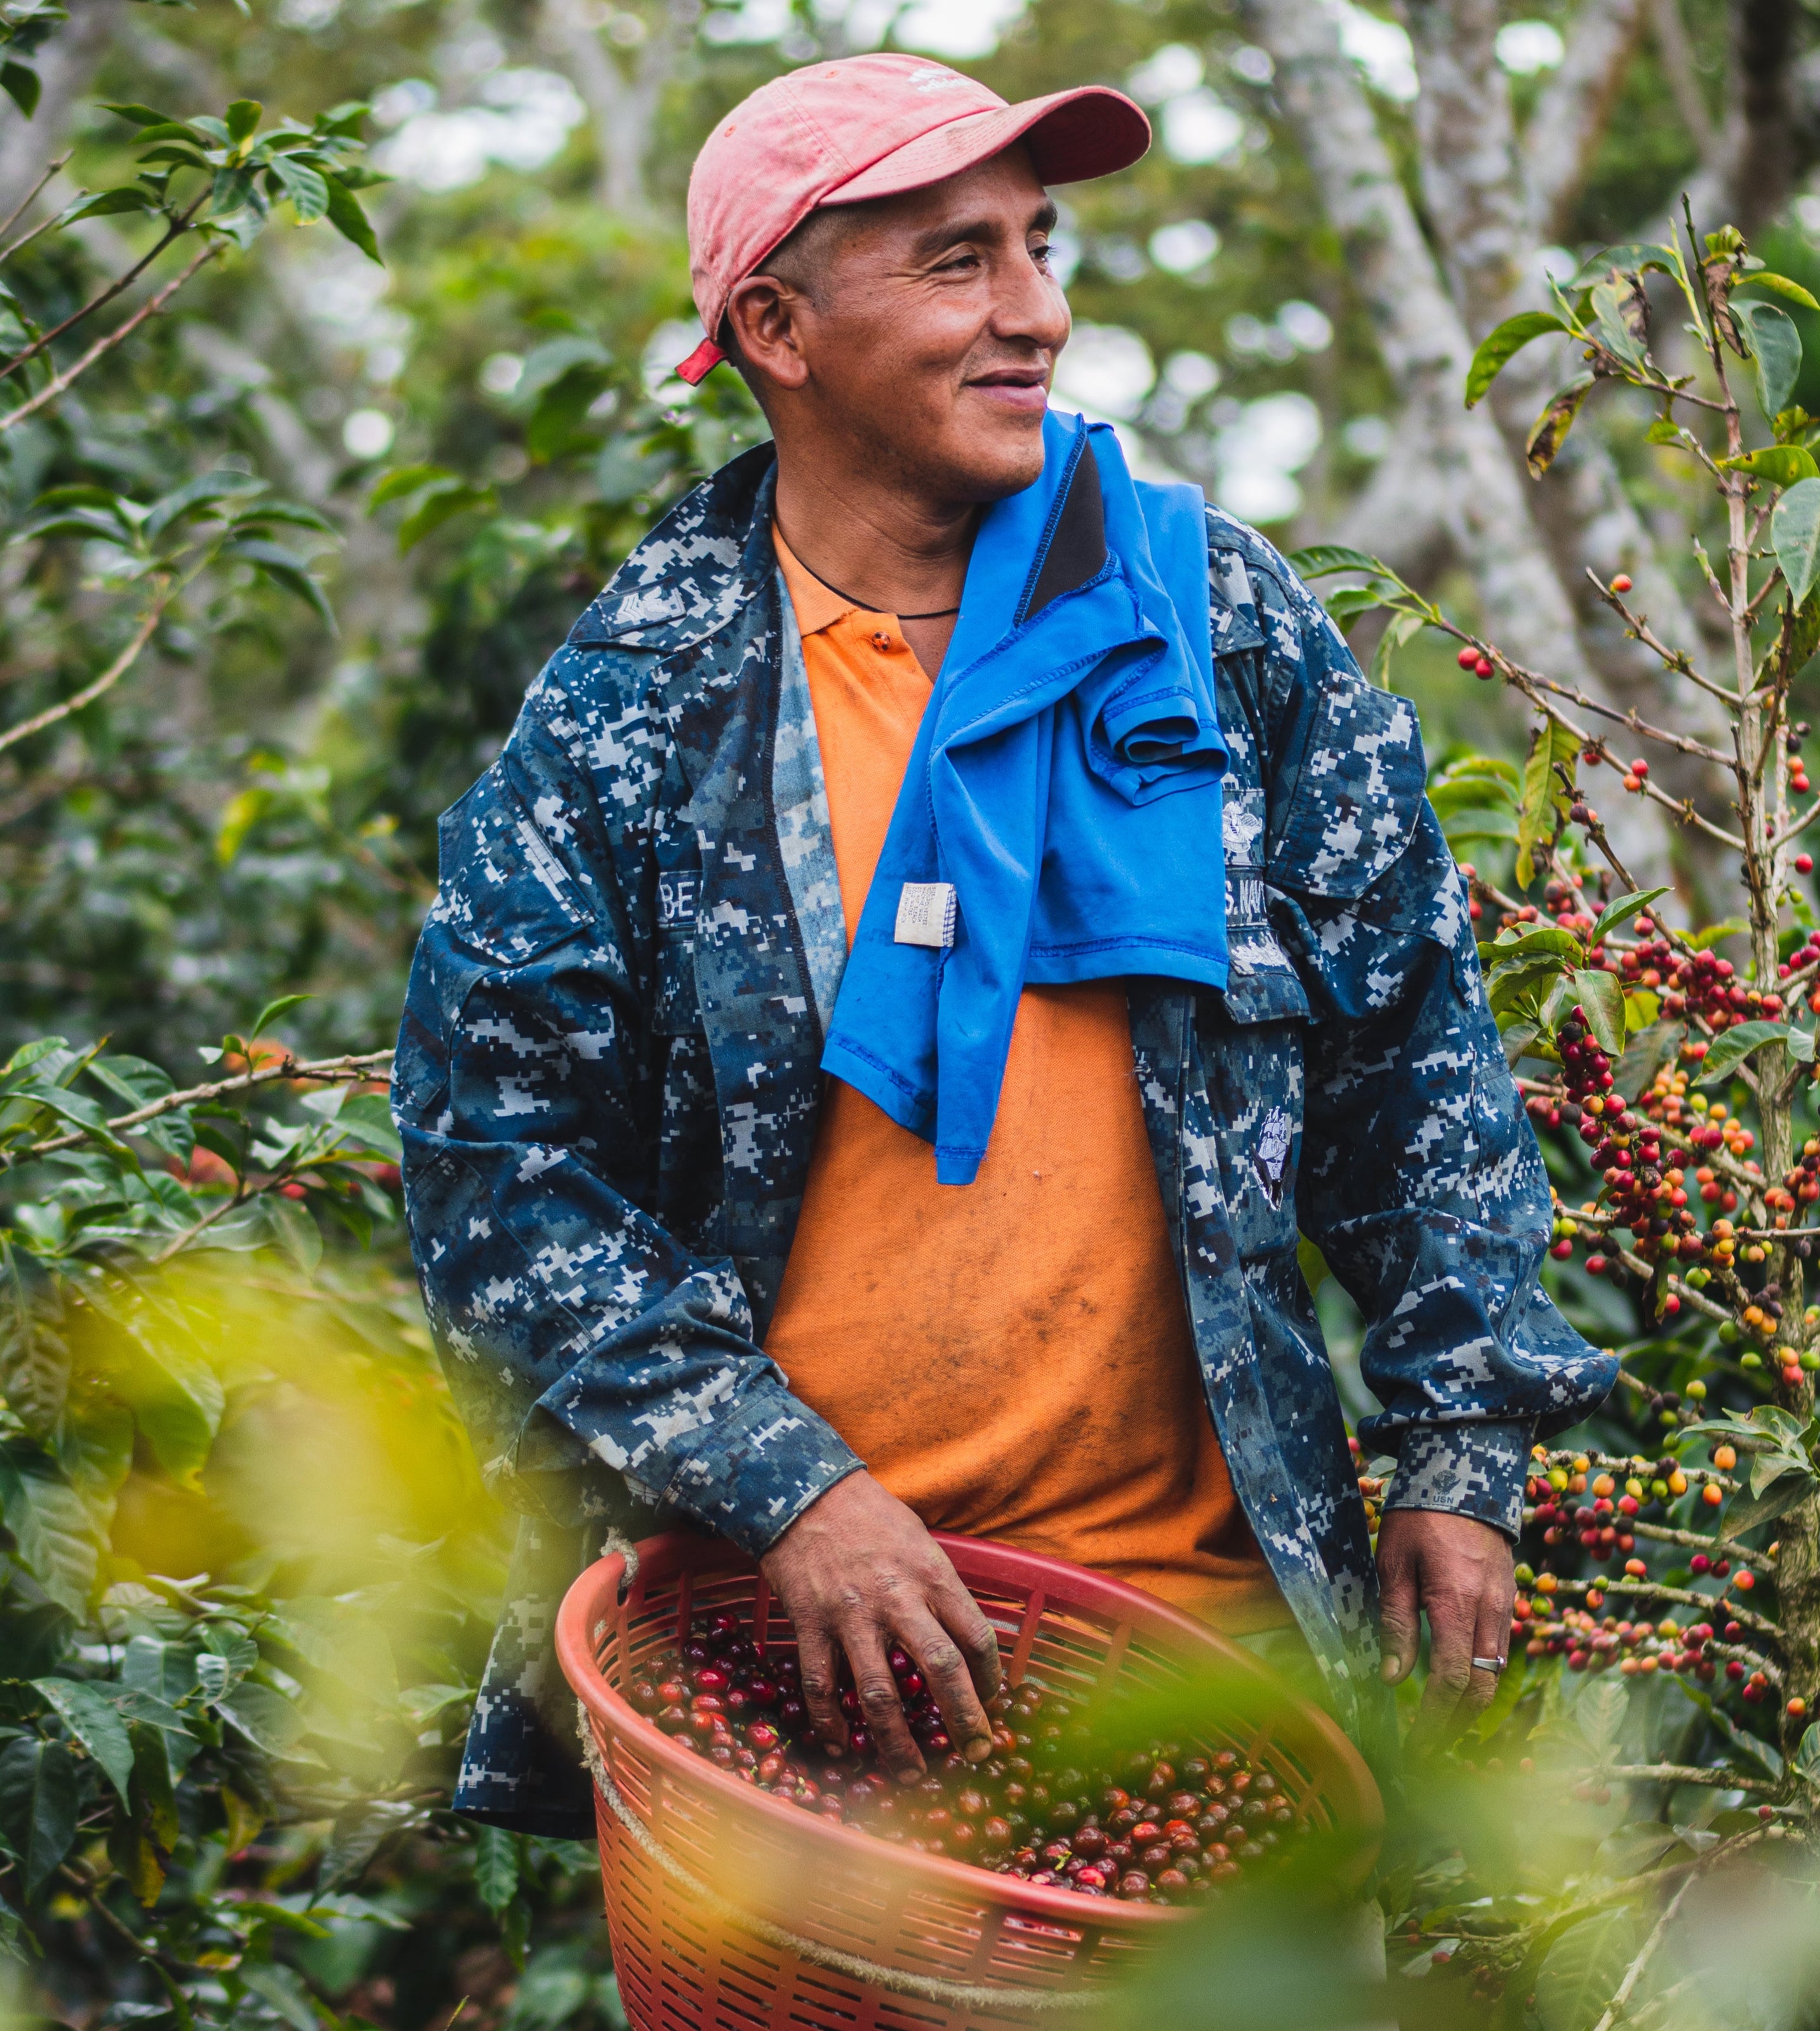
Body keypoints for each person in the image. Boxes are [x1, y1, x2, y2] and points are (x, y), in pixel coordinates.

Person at [392, 51, 1617, 1837]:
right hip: (794, 1680)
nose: (1037, 312)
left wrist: (1457, 1450)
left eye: (1042, 247)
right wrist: (788, 1493)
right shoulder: (635, 709)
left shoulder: (1209, 619)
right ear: (777, 329)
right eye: (959, 261)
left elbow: (1413, 1051)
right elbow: (496, 1169)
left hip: (1215, 1660)